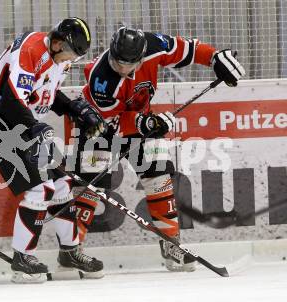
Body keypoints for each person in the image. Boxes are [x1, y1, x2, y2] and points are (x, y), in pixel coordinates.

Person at [72, 27, 245, 272]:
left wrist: (215, 58)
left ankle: (171, 245)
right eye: (117, 62)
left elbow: (191, 49)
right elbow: (113, 123)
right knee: (89, 186)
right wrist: (146, 123)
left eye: (127, 65)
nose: (121, 68)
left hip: (137, 121)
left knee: (159, 177)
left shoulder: (154, 46)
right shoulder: (103, 79)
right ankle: (71, 250)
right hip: (95, 125)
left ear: (141, 57)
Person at [0, 18, 107, 283]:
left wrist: (75, 109)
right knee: (40, 189)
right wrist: (35, 127)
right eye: (69, 53)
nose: (70, 60)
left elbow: (44, 94)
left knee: (64, 184)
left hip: (18, 122)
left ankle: (69, 253)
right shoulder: (30, 50)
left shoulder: (58, 57)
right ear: (56, 43)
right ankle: (22, 259)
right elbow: (11, 100)